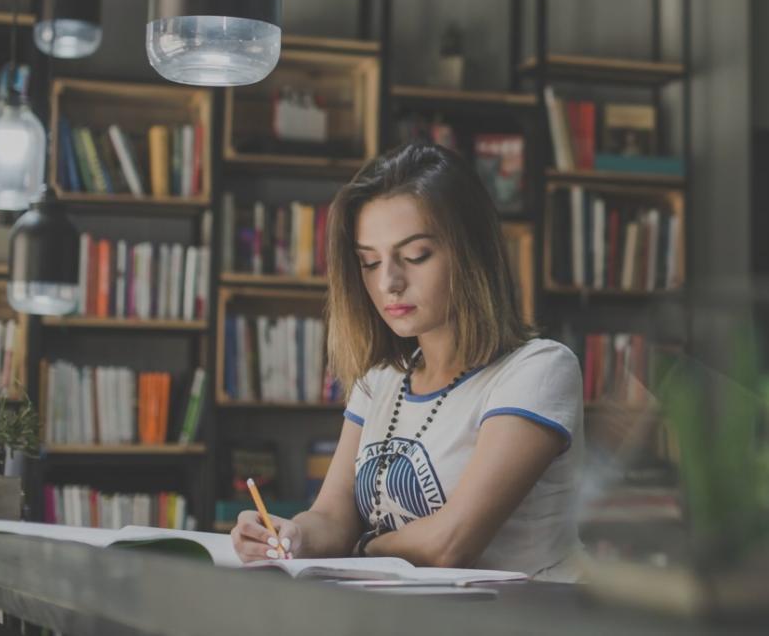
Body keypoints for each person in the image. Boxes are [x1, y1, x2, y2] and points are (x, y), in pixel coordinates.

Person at [230, 143, 584, 580]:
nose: (389, 283)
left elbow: (450, 543)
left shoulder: (538, 370)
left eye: (415, 256)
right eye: (369, 262)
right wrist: (291, 535)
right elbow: (332, 517)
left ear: (471, 252)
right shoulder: (379, 381)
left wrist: (359, 547)